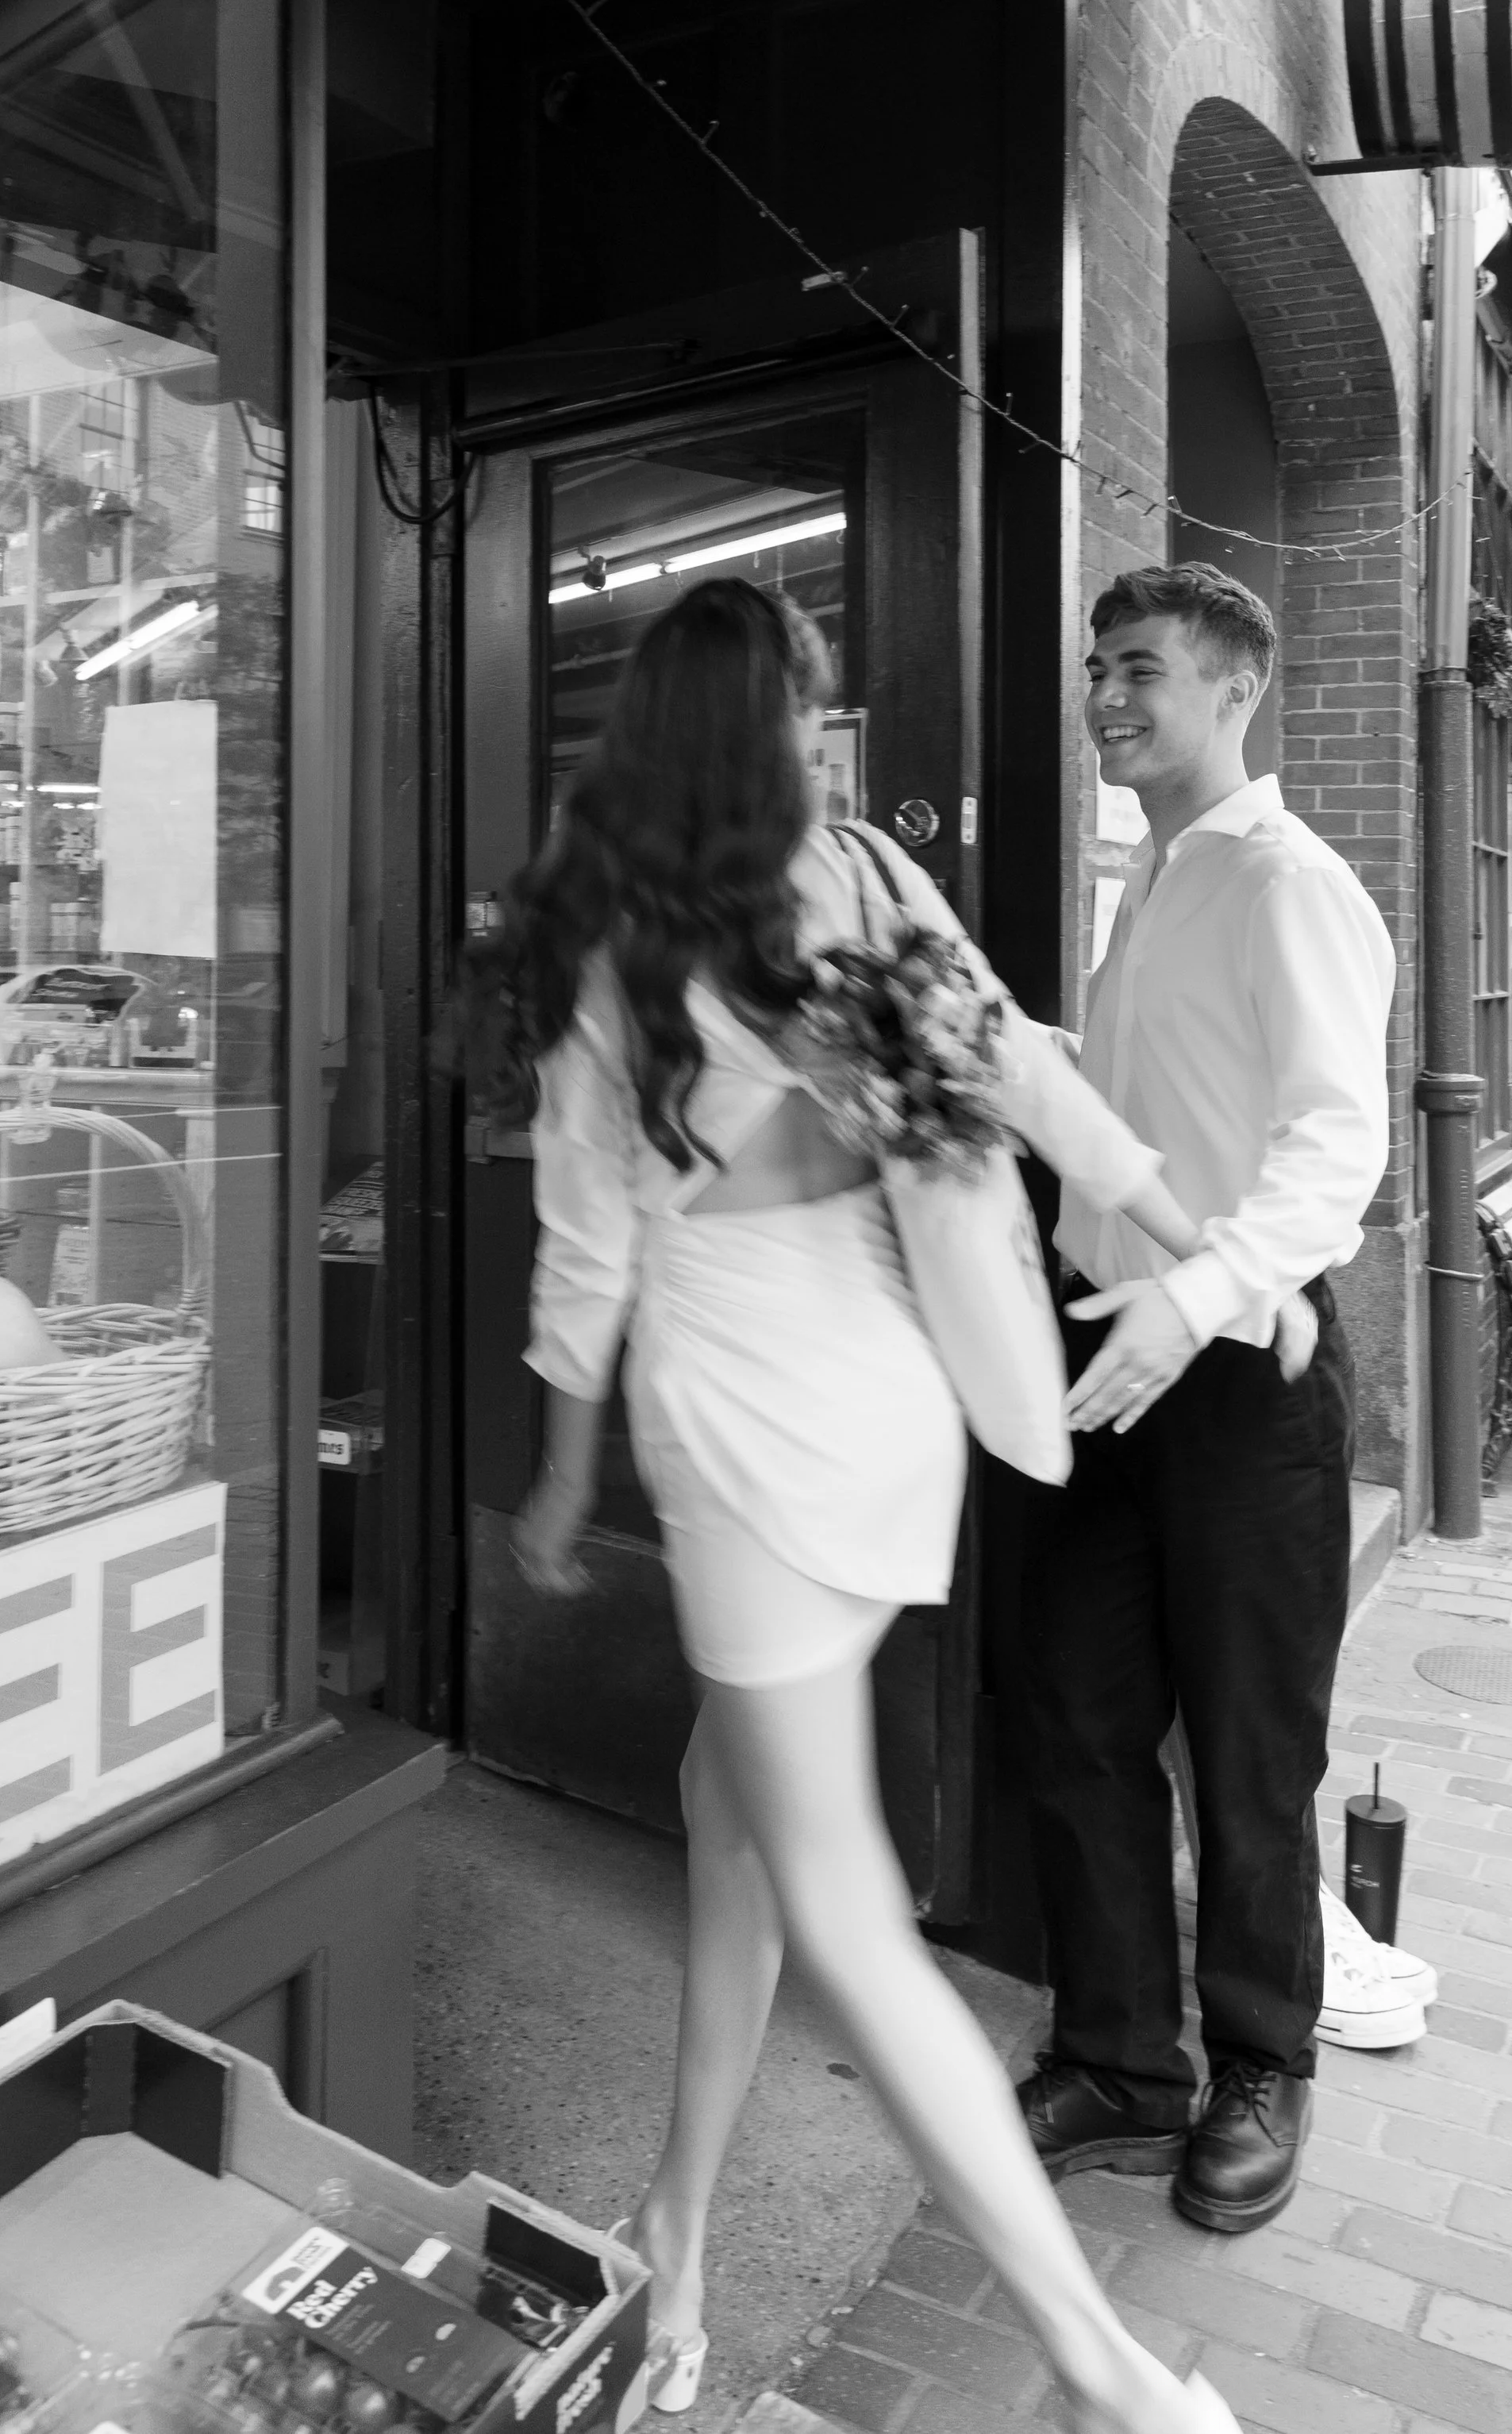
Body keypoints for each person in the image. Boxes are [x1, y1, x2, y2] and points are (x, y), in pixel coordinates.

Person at [471, 578, 1246, 2434]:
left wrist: (560, 1483)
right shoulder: (871, 882)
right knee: (723, 1810)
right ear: (776, 729)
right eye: (815, 709)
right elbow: (1025, 1073)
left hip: (746, 1425)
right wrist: (1191, 1237)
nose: (833, 738)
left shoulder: (624, 938)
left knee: (839, 1905)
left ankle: (1102, 2365)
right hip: (896, 1405)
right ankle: (677, 2220)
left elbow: (586, 1259)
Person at [1016, 563, 1395, 2237]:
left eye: (1140, 669)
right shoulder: (1148, 879)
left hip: (1239, 1366)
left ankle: (1257, 2063)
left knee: (1249, 1748)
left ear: (1234, 686)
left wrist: (1197, 1294)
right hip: (1104, 1350)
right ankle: (1116, 2056)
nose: (1104, 694)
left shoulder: (1283, 882)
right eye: (1096, 666)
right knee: (1080, 1715)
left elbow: (1334, 1151)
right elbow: (1134, 1109)